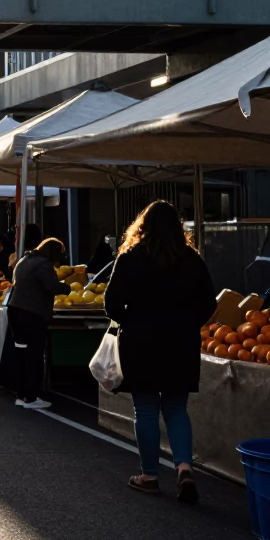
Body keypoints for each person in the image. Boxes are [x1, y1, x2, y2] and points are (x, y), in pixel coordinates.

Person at [105, 200, 215, 502]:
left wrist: (132, 320)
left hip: (141, 343)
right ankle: (183, 468)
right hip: (182, 343)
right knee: (177, 409)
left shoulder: (130, 258)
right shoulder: (191, 259)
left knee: (146, 409)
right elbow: (210, 303)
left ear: (143, 226)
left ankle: (150, 475)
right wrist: (188, 322)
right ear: (179, 228)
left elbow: (111, 304)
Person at [3, 237, 72, 409]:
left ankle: (21, 395)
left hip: (15, 311)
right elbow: (51, 286)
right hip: (32, 314)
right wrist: (67, 287)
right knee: (34, 355)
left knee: (21, 355)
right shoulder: (42, 264)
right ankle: (32, 397)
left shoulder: (24, 260)